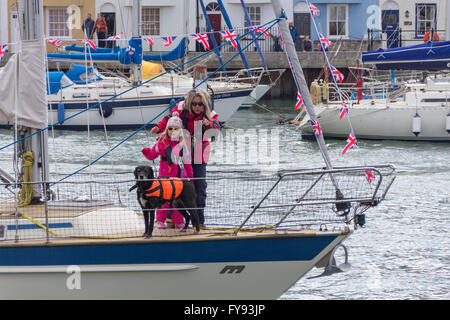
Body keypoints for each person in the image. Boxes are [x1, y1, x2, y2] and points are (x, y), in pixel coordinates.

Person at [151, 88, 220, 228]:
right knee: (174, 184)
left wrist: (209, 124)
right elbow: (168, 120)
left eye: (200, 104)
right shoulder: (181, 109)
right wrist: (158, 128)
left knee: (199, 185)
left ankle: (199, 221)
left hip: (199, 151)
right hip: (180, 151)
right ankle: (172, 218)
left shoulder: (209, 114)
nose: (197, 107)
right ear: (190, 103)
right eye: (194, 104)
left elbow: (217, 127)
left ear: (205, 104)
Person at [141, 115, 193, 229]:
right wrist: (146, 152)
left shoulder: (183, 145)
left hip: (178, 177)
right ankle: (160, 220)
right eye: (170, 128)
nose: (173, 131)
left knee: (178, 201)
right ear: (167, 129)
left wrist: (191, 177)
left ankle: (179, 221)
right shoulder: (161, 142)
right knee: (162, 200)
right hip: (164, 177)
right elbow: (152, 155)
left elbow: (187, 162)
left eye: (176, 129)